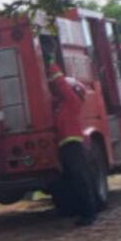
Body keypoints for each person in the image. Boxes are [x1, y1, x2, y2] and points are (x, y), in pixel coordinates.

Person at [47, 62, 98, 226]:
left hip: (73, 146)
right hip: (66, 146)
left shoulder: (72, 102)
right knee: (72, 179)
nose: (58, 90)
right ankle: (80, 210)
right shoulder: (62, 105)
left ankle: (89, 214)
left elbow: (62, 85)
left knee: (80, 179)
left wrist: (51, 64)